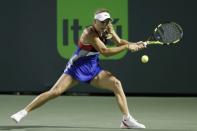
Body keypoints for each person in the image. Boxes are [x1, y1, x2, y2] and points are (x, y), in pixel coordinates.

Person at [11, 8, 146, 129]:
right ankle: (23, 112)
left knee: (116, 83)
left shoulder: (107, 29)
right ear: (95, 22)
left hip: (93, 69)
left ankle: (126, 120)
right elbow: (105, 51)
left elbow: (119, 42)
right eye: (102, 22)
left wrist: (135, 44)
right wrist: (128, 47)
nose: (105, 25)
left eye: (107, 22)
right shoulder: (89, 33)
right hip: (76, 68)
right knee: (55, 92)